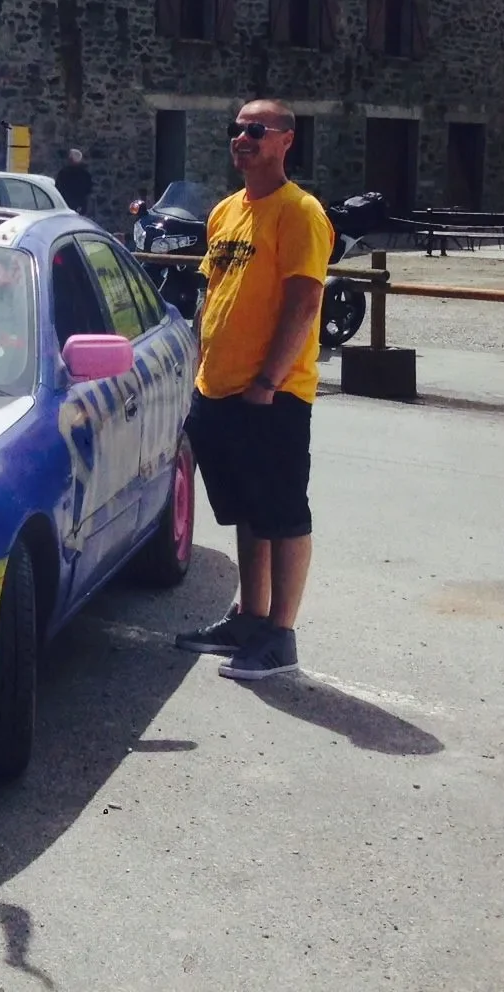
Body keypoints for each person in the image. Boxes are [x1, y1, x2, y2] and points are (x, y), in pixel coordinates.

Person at [175, 98, 332, 680]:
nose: (242, 137)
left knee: (284, 513)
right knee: (245, 510)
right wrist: (199, 364)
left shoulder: (300, 212)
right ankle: (250, 616)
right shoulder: (225, 212)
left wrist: (268, 379)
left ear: (285, 140)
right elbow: (211, 296)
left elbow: (305, 300)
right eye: (237, 129)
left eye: (256, 129)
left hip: (273, 393)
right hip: (218, 389)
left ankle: (281, 635)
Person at [55, 148, 92, 214]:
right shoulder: (85, 174)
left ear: (71, 159)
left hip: (65, 205)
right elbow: (88, 190)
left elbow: (58, 188)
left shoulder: (64, 173)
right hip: (80, 206)